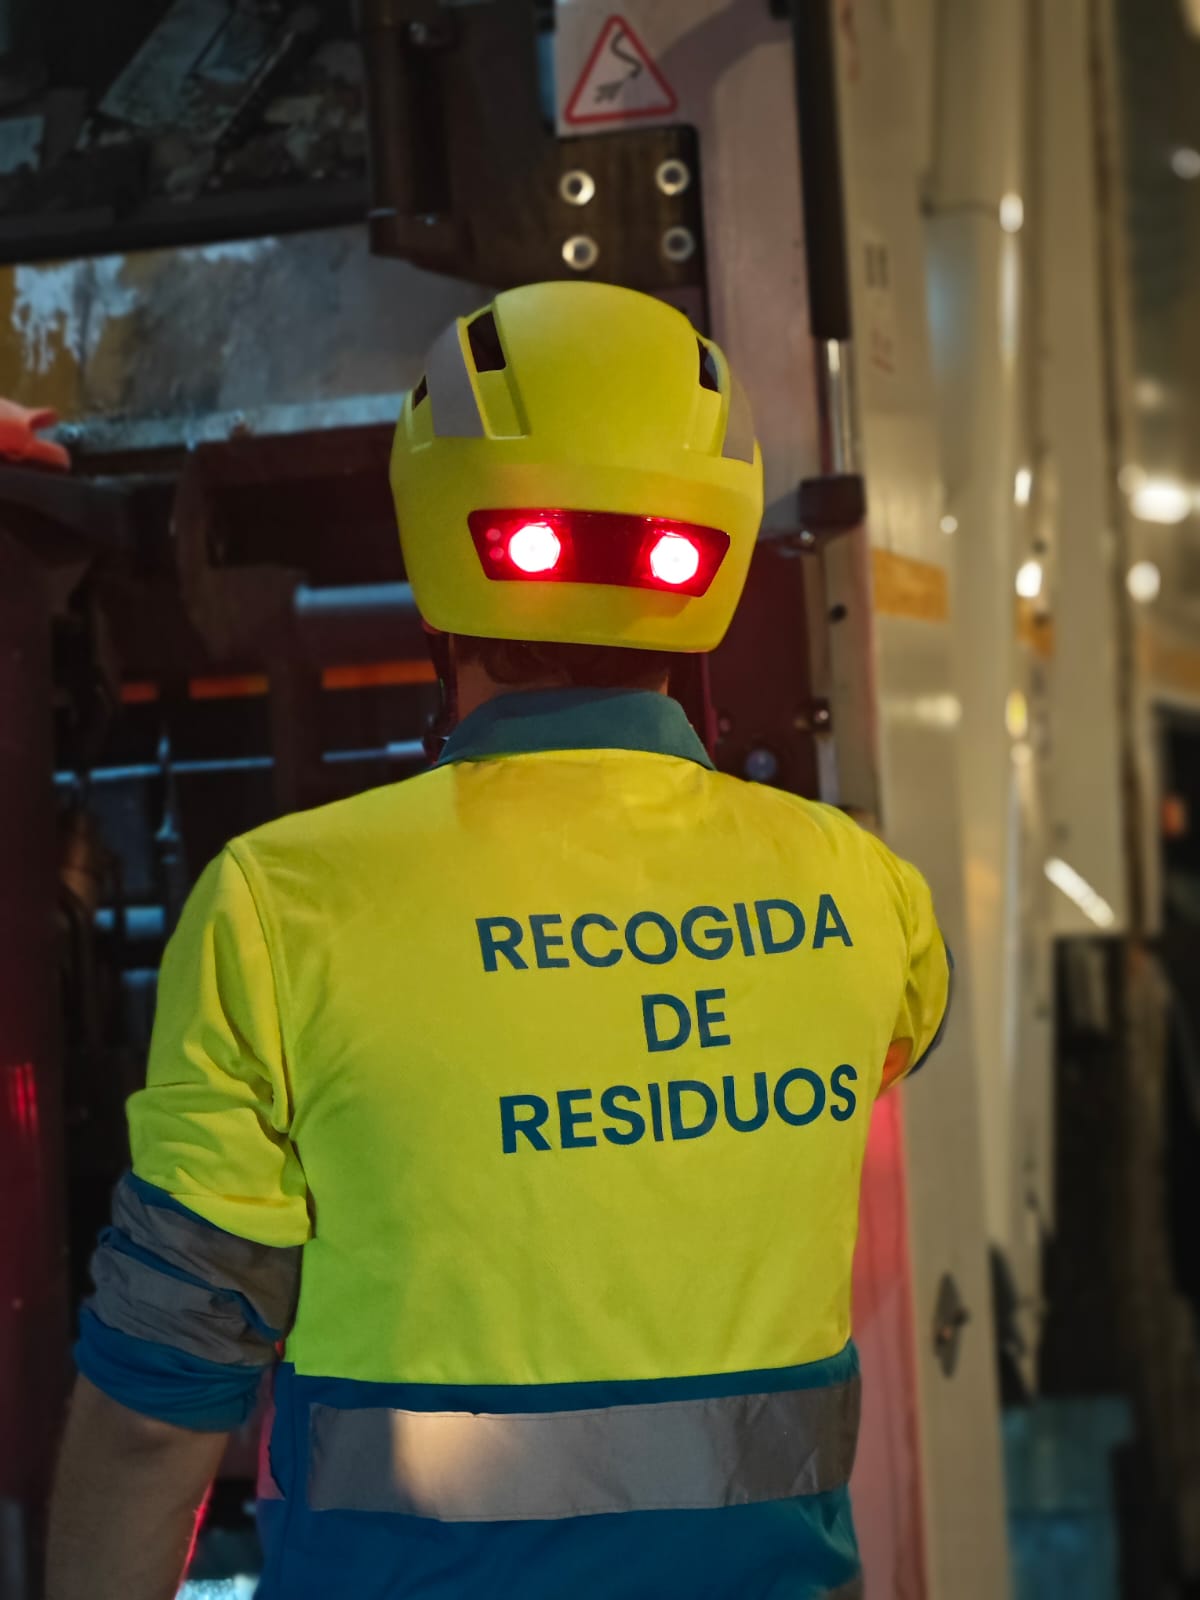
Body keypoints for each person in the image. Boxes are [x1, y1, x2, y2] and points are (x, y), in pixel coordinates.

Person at [47, 281, 950, 1600]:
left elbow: (156, 1405)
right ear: (713, 544)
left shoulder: (280, 908)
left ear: (437, 536)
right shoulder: (867, 897)